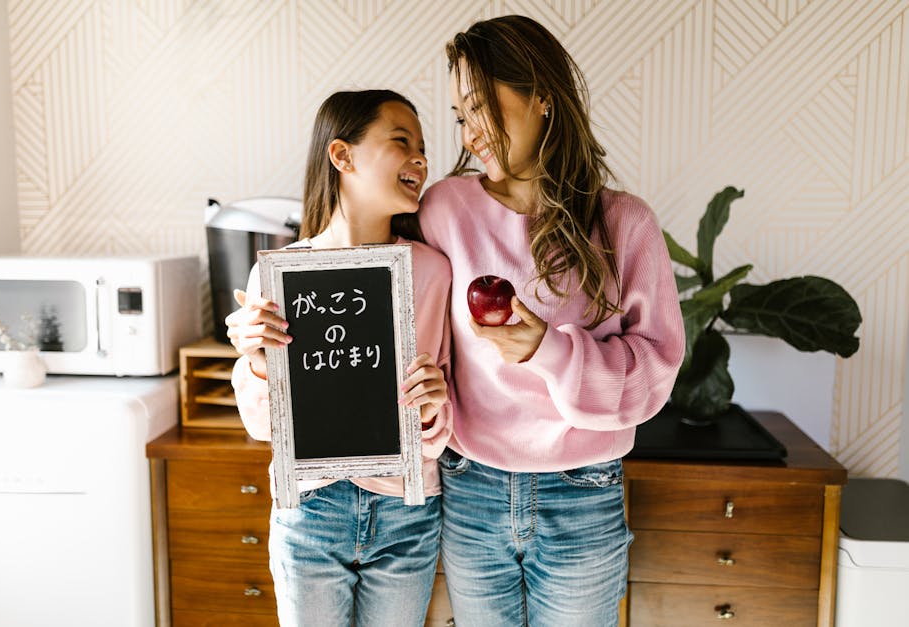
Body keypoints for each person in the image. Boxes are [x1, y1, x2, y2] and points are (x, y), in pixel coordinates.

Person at [416, 15, 686, 626]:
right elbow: (386, 291)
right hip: (472, 489)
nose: (470, 131)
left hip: (583, 492)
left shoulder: (624, 225)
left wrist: (549, 350)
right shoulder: (444, 210)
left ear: (542, 96)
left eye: (482, 106)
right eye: (461, 115)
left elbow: (656, 372)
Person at [225, 89, 453, 627]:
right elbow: (264, 426)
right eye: (402, 142)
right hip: (311, 509)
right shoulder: (280, 275)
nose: (420, 158)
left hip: (406, 510)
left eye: (423, 147)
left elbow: (443, 412)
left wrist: (429, 407)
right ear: (342, 156)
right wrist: (258, 362)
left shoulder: (434, 272)